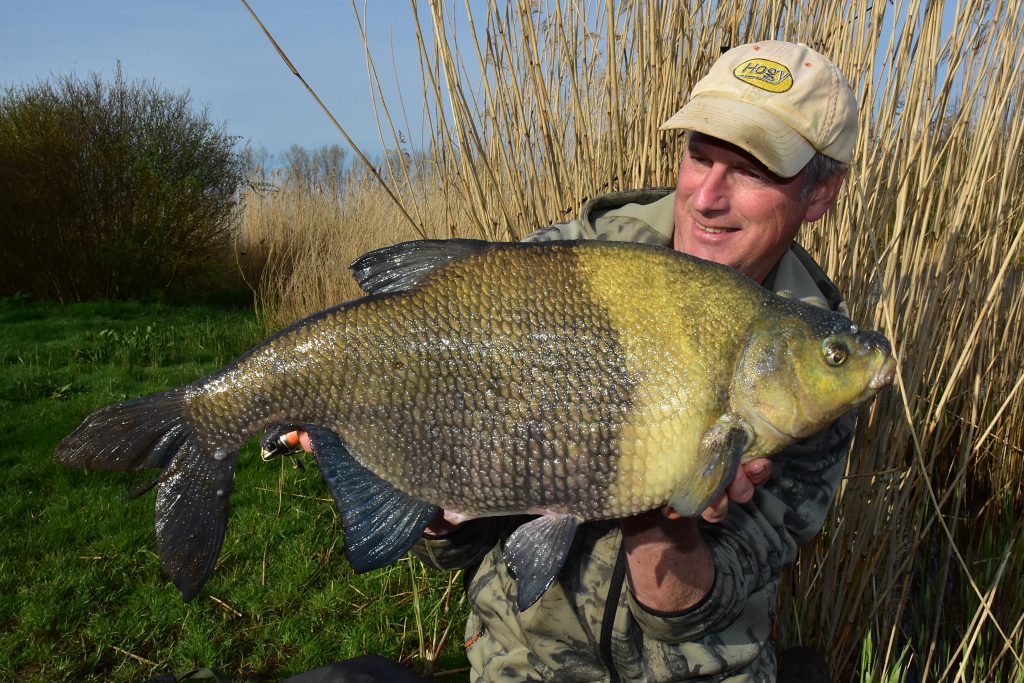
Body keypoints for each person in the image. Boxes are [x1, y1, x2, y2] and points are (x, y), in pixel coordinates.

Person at [284, 40, 859, 682]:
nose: (707, 197)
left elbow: (696, 615)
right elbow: (454, 547)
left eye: (753, 169)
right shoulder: (557, 270)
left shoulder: (813, 368)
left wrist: (661, 517)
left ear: (820, 192)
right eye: (700, 156)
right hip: (522, 662)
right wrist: (429, 484)